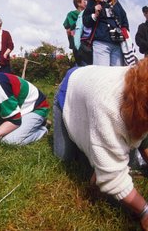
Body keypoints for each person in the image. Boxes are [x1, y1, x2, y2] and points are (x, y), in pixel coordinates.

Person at [53, 59, 148, 229]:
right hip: (70, 89)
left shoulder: (141, 88)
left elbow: (145, 137)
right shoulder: (109, 106)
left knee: (103, 158)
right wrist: (144, 211)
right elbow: (112, 178)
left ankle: (94, 143)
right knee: (65, 158)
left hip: (93, 90)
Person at [82, 0, 129, 66]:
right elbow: (85, 21)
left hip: (117, 43)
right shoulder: (92, 1)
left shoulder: (114, 0)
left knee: (116, 76)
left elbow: (123, 17)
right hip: (101, 43)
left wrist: (125, 31)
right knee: (102, 76)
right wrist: (94, 15)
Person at [63, 0, 87, 66]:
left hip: (86, 41)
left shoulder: (87, 13)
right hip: (77, 42)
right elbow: (68, 25)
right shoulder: (71, 14)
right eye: (84, 2)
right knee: (80, 63)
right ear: (79, 3)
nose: (86, 3)